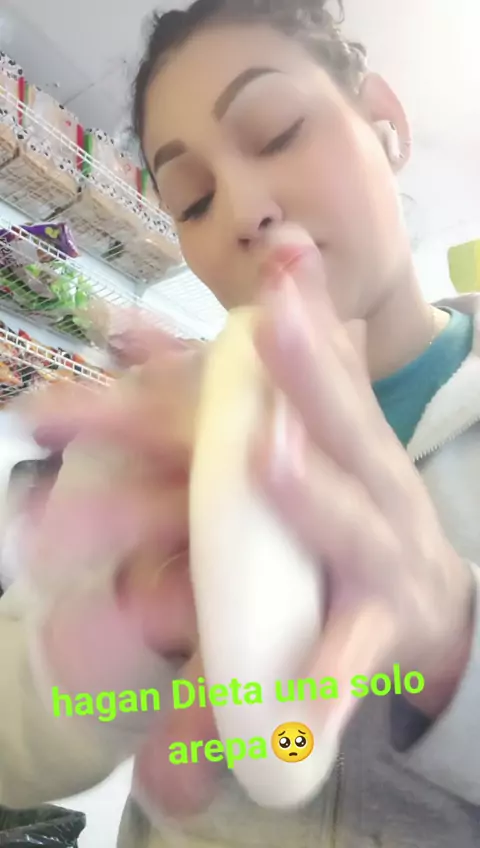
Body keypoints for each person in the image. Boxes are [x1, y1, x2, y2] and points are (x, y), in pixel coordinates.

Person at [1, 0, 480, 845]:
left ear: (384, 122)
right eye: (193, 201)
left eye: (279, 132)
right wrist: (124, 630)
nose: (243, 211)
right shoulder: (153, 439)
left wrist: (453, 641)